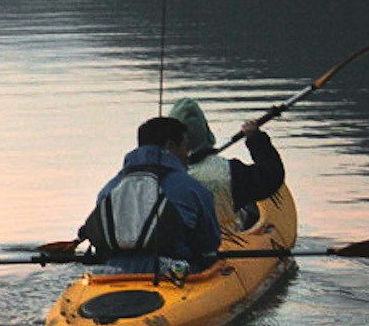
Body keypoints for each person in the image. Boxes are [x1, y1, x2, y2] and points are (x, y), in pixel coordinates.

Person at [76, 115, 223, 274]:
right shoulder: (193, 189)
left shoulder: (108, 190)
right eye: (185, 147)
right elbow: (209, 245)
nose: (187, 155)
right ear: (171, 146)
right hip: (172, 276)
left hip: (112, 273)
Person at [164, 94, 287, 236]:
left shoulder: (157, 174)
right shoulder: (232, 172)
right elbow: (272, 175)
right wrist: (256, 138)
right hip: (225, 244)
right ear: (206, 132)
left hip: (178, 248)